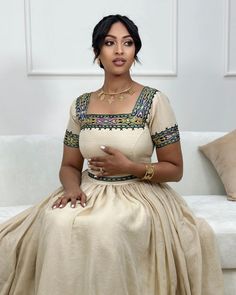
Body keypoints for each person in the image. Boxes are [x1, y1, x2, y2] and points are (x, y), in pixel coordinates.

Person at [0, 14, 224, 295]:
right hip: (89, 188)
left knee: (108, 227)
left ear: (135, 51)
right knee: (56, 221)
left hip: (139, 193)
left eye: (127, 43)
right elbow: (69, 165)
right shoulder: (80, 105)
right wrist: (71, 189)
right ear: (98, 52)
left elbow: (175, 169)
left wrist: (130, 166)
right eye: (110, 43)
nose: (119, 51)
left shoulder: (154, 101)